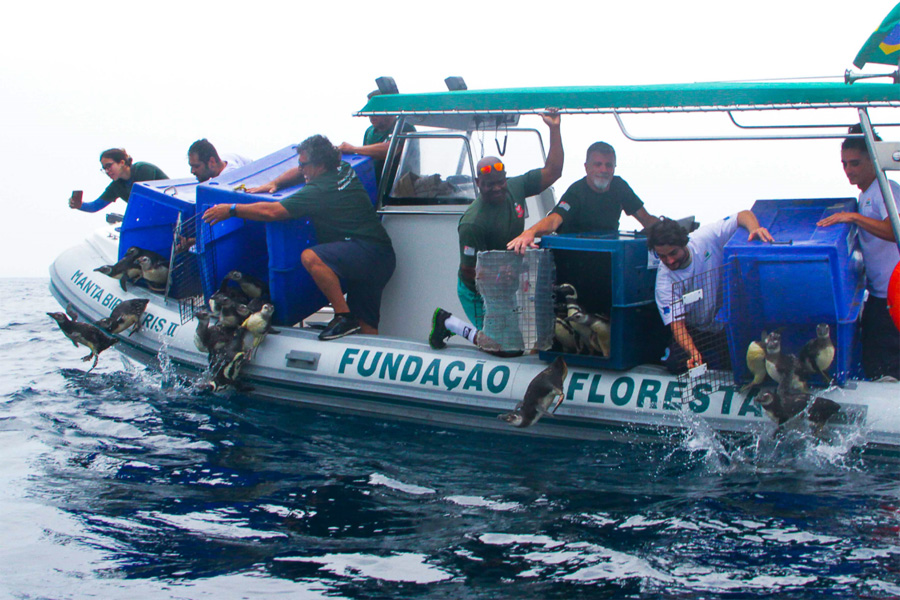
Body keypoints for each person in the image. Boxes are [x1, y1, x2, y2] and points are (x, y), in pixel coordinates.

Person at [202, 135, 395, 340]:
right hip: (379, 255)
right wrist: (275, 182)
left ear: (320, 165)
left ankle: (343, 316)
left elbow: (273, 212)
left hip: (362, 252)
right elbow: (299, 173)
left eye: (303, 165)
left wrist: (231, 209)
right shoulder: (343, 169)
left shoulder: (318, 190)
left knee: (311, 257)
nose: (300, 169)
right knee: (366, 322)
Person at [429, 109, 563, 351]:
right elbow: (468, 271)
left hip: (506, 285)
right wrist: (500, 276)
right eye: (489, 184)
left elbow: (554, 171)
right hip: (478, 291)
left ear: (506, 178)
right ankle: (446, 321)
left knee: (514, 346)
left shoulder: (516, 186)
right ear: (478, 183)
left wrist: (554, 128)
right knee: (500, 347)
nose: (497, 188)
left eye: (500, 182)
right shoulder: (472, 222)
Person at [817, 130, 900, 379]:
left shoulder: (886, 190)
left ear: (872, 161)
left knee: (887, 360)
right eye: (844, 164)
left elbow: (895, 230)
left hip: (893, 295)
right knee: (873, 356)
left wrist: (853, 217)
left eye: (855, 163)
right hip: (877, 294)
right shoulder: (865, 194)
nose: (848, 170)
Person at [647, 213, 773, 373]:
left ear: (683, 243)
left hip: (725, 321)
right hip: (694, 328)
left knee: (740, 364)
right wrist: (693, 353)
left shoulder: (705, 237)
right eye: (662, 256)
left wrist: (754, 228)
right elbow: (677, 325)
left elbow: (743, 215)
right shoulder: (664, 282)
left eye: (673, 253)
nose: (670, 261)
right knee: (676, 364)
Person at [507, 141, 658, 254]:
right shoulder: (576, 192)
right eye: (598, 164)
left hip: (608, 253)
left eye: (609, 165)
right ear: (587, 167)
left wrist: (668, 230)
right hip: (574, 255)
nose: (603, 170)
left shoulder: (620, 186)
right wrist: (530, 232)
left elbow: (646, 219)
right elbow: (553, 220)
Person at [338, 89, 417, 186]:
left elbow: (390, 150)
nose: (371, 116)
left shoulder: (404, 127)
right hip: (376, 188)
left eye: (376, 111)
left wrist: (353, 148)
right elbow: (365, 157)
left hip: (400, 189)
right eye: (370, 111)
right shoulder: (369, 132)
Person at [69, 148, 167, 212]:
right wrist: (79, 204)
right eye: (104, 169)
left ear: (121, 162)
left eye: (109, 166)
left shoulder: (143, 169)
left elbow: (145, 200)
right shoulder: (116, 186)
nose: (107, 171)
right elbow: (95, 206)